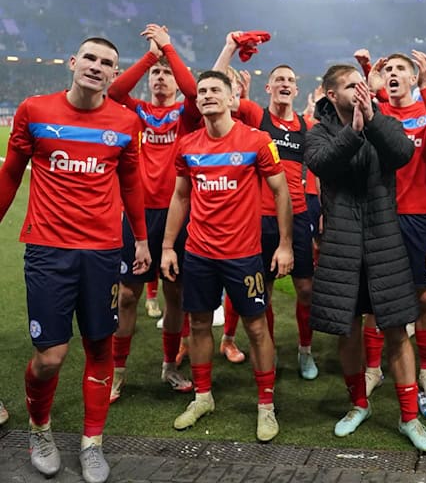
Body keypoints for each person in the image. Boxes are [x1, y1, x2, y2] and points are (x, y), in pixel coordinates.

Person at [0, 37, 150, 483]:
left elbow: (131, 183)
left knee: (100, 346)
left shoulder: (125, 122)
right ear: (72, 62)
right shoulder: (35, 110)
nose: (97, 67)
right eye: (90, 58)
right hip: (48, 250)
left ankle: (92, 443)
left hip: (103, 252)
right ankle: (40, 429)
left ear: (112, 73)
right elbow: (11, 171)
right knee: (50, 356)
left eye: (108, 63)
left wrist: (140, 240)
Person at [305, 64, 426, 453]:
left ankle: (409, 416)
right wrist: (355, 130)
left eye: (362, 85)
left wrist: (372, 120)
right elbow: (323, 164)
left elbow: (402, 154)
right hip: (342, 247)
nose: (359, 90)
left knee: (395, 330)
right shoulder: (318, 132)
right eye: (349, 86)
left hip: (384, 243)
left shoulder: (386, 122)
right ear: (331, 95)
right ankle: (357, 405)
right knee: (347, 330)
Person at [161, 70, 292, 443]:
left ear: (233, 99)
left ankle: (265, 406)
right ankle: (203, 397)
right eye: (201, 91)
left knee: (255, 327)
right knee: (199, 325)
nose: (206, 95)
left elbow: (281, 191)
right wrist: (169, 246)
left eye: (215, 90)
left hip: (244, 254)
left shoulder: (257, 140)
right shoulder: (187, 144)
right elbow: (181, 196)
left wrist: (284, 244)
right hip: (198, 253)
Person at [214, 35, 318, 379]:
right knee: (264, 289)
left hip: (298, 216)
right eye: (280, 80)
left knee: (306, 288)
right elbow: (215, 86)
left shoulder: (308, 126)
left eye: (290, 80)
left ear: (296, 89)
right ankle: (266, 346)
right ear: (269, 87)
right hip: (258, 218)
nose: (285, 84)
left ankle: (305, 350)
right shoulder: (254, 115)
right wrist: (229, 51)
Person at [106, 23, 197, 403]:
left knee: (175, 293)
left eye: (165, 73)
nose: (160, 77)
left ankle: (169, 366)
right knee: (127, 294)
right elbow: (114, 90)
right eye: (155, 73)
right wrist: (149, 56)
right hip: (138, 215)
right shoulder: (138, 111)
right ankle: (118, 371)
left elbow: (193, 89)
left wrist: (169, 49)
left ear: (174, 80)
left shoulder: (186, 112)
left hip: (178, 214)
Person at [363, 50, 426, 404]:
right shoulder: (377, 112)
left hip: (420, 215)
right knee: (373, 298)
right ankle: (373, 369)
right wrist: (370, 89)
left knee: (424, 296)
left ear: (414, 79)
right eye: (389, 70)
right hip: (381, 215)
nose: (394, 73)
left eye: (402, 69)